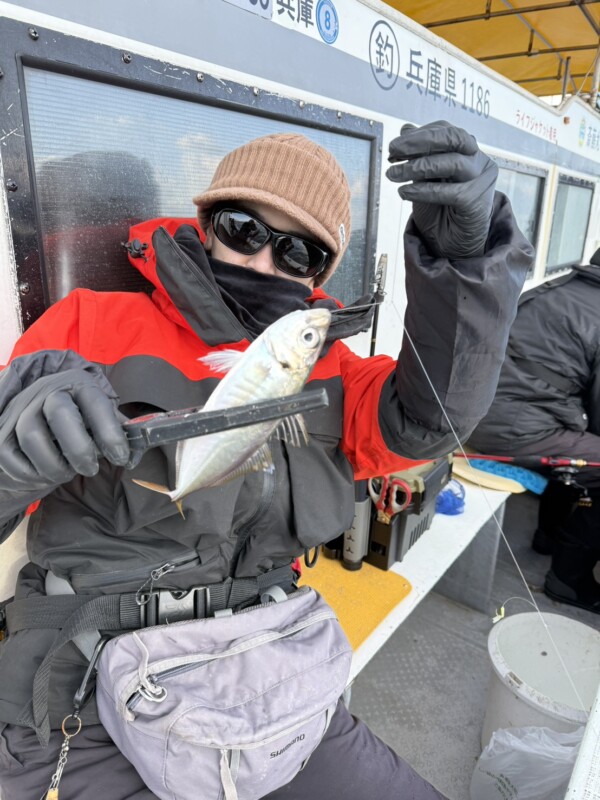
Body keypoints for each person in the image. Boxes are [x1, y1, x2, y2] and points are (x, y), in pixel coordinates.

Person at [0, 120, 533, 799]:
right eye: (244, 229)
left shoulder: (332, 368)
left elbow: (433, 417)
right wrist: (14, 457)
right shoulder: (85, 324)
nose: (262, 264)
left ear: (319, 275)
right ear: (206, 221)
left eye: (298, 253)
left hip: (266, 674)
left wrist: (467, 267)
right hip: (91, 692)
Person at [469, 254, 600, 615]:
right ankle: (567, 579)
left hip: (475, 411)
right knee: (591, 456)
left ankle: (549, 536)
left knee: (576, 447)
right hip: (509, 431)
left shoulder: (552, 288)